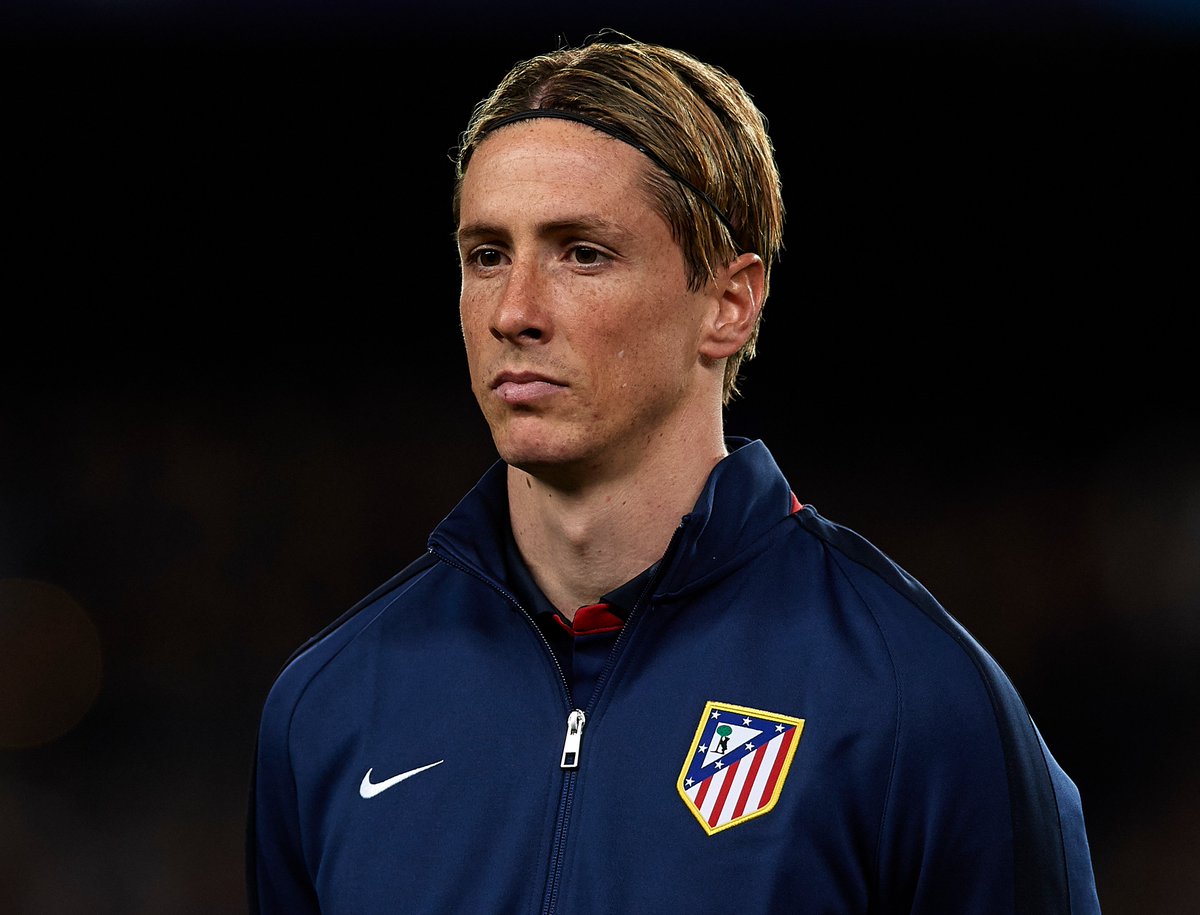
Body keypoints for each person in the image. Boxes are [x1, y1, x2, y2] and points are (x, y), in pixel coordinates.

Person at [248, 32, 1101, 913]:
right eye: (487, 254)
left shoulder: (913, 697)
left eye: (582, 252)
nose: (514, 311)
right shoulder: (329, 705)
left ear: (730, 303)